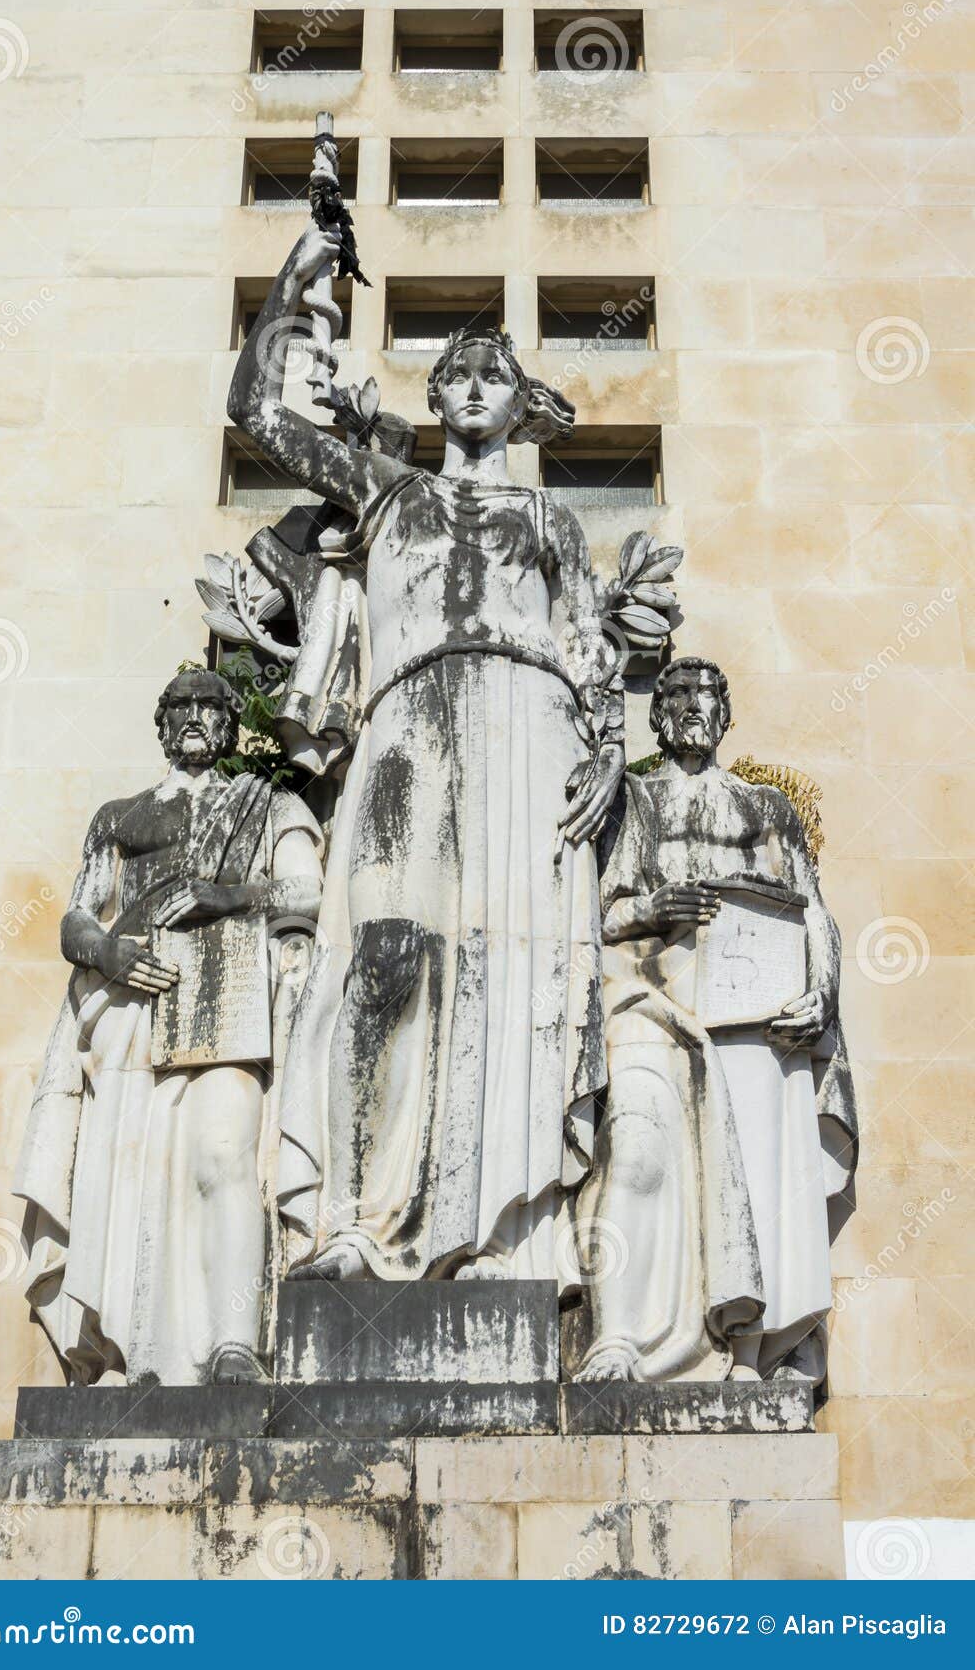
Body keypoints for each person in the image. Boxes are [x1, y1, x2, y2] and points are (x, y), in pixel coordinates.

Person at [228, 222, 626, 1281]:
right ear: (436, 399)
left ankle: (502, 1230)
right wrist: (291, 286)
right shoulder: (386, 489)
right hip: (408, 721)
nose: (469, 385)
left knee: (514, 972)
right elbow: (259, 414)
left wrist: (609, 749)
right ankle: (355, 1214)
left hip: (531, 728)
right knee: (385, 955)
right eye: (452, 374)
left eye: (492, 375)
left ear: (517, 402)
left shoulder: (548, 519)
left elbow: (588, 647)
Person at [15, 669, 323, 1384]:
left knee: (224, 1156)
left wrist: (228, 895)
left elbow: (306, 889)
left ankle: (233, 1344)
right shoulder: (121, 815)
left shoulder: (267, 805)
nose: (193, 717)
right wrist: (106, 952)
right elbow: (77, 915)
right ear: (162, 723)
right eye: (180, 706)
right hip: (128, 1010)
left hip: (229, 992)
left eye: (210, 707)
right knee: (128, 1175)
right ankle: (137, 1351)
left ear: (227, 725)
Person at [576, 657, 857, 1383]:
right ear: (659, 717)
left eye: (706, 699)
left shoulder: (766, 809)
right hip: (657, 1004)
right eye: (677, 699)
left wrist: (821, 990)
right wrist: (651, 908)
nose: (692, 710)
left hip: (754, 1016)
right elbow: (597, 912)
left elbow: (813, 911)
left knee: (764, 1170)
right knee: (636, 1150)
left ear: (725, 714)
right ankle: (625, 1333)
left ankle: (760, 1346)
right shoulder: (633, 802)